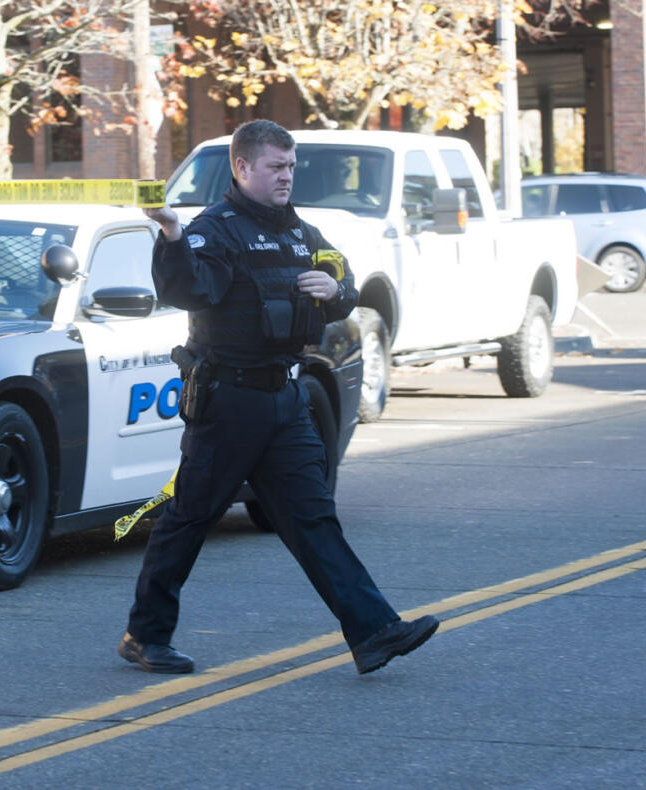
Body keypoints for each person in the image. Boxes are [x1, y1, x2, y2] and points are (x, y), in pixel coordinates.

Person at [118, 119, 438, 675]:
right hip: (230, 403)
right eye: (276, 167)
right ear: (243, 168)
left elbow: (342, 279)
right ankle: (145, 636)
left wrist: (338, 291)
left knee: (313, 518)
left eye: (291, 166)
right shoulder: (211, 230)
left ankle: (374, 632)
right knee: (190, 519)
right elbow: (185, 289)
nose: (287, 176)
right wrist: (169, 234)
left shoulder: (299, 233)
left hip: (285, 400)